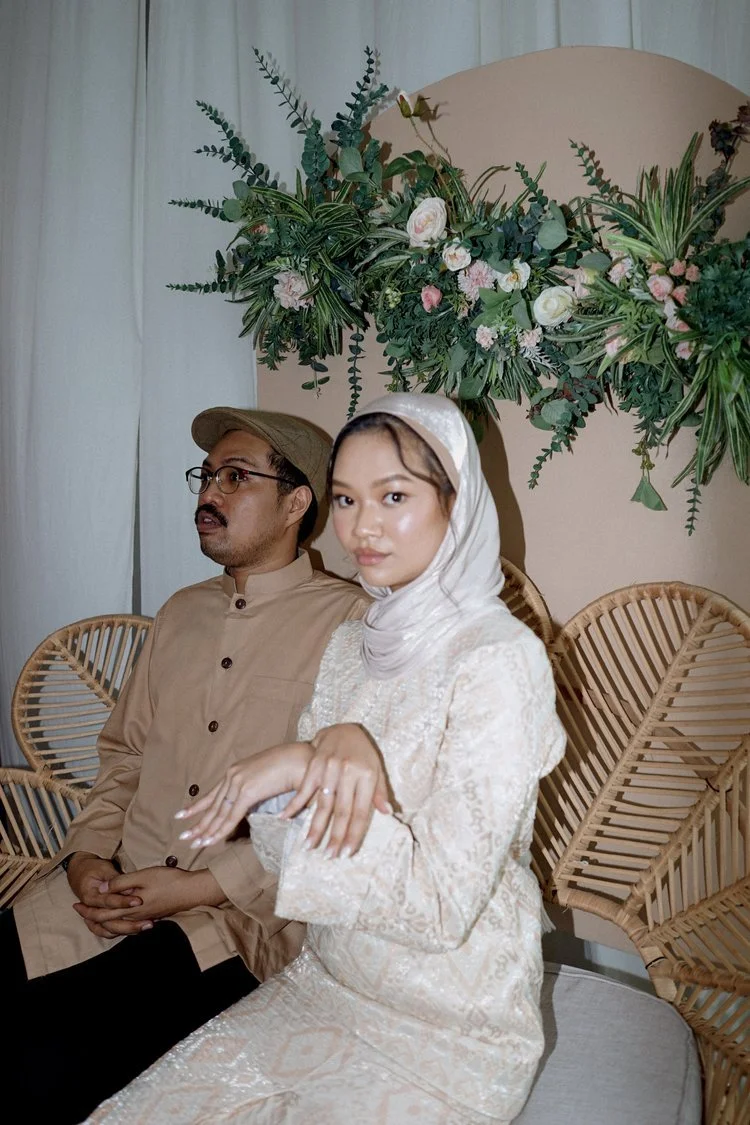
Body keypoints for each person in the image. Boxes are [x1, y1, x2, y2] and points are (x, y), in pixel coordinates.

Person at [89, 393, 566, 1125]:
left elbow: (441, 909)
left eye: (394, 496)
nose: (362, 527)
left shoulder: (501, 662)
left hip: (447, 1025)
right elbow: (280, 854)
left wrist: (312, 764)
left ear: (457, 501)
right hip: (326, 983)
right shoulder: (353, 645)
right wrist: (301, 775)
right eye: (346, 498)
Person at [1, 406, 369, 1124]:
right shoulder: (181, 612)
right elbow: (124, 755)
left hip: (229, 923)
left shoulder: (349, 628)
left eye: (236, 477)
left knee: (38, 1068)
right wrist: (85, 857)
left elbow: (335, 816)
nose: (210, 493)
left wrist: (200, 886)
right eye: (206, 475)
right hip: (106, 889)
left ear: (297, 502)